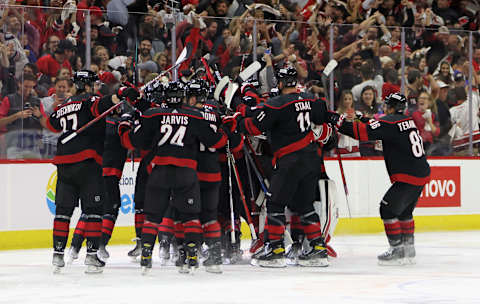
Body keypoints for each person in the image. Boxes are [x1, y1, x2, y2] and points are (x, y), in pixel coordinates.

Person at [118, 81, 229, 274]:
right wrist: (227, 127)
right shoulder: (196, 115)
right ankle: (192, 255)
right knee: (191, 216)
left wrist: (124, 127)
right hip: (188, 172)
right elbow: (217, 141)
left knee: (153, 216)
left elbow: (133, 141)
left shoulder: (153, 114)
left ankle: (146, 256)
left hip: (160, 171)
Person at [228, 66, 332, 268]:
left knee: (275, 203)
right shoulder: (311, 99)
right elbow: (322, 117)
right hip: (311, 160)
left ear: (281, 84)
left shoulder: (276, 104)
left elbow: (254, 126)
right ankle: (318, 249)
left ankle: (275, 249)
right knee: (305, 205)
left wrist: (238, 118)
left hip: (290, 161)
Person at [329, 93, 431, 265]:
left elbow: (361, 133)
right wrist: (363, 118)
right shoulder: (407, 120)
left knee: (387, 209)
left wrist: (338, 122)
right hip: (421, 172)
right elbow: (382, 125)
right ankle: (408, 248)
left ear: (390, 107)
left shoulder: (389, 122)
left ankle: (397, 250)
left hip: (408, 175)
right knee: (404, 211)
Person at [43, 70, 121, 274]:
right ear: (87, 85)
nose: (96, 88)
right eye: (94, 84)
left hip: (64, 163)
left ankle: (57, 255)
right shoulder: (90, 99)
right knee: (93, 210)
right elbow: (102, 104)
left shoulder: (64, 104)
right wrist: (119, 94)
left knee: (63, 212)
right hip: (87, 162)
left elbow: (52, 124)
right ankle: (92, 256)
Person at [0, 74, 44, 159]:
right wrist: (16, 116)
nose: (28, 89)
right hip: (13, 145)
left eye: (31, 87)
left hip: (33, 145)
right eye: (26, 86)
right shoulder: (8, 99)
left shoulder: (37, 102)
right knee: (14, 171)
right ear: (19, 84)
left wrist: (39, 115)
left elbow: (46, 124)